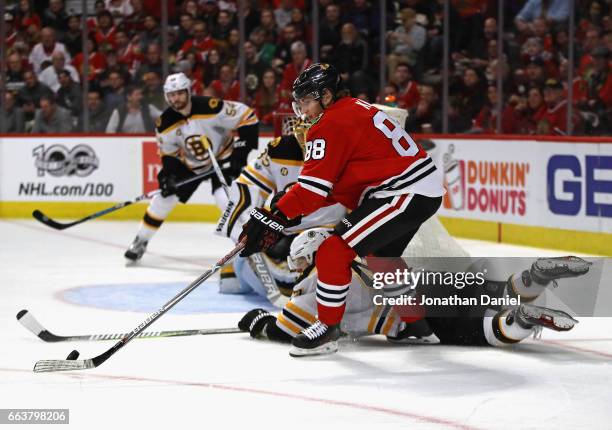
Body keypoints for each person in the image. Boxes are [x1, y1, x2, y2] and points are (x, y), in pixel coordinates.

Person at [240, 63, 445, 356]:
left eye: (307, 101)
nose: (303, 110)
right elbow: (338, 189)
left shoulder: (329, 123)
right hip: (414, 190)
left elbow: (311, 192)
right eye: (299, 103)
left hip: (403, 192)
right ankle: (417, 327)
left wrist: (274, 217)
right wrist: (279, 214)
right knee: (381, 256)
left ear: (326, 95)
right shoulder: (353, 109)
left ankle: (327, 330)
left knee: (334, 250)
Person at [239, 237, 590, 355]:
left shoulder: (314, 287)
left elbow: (285, 329)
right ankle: (534, 277)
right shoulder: (352, 255)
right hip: (423, 282)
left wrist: (257, 321)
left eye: (300, 260)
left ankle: (522, 320)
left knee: (487, 330)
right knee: (496, 292)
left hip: (416, 315)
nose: (296, 267)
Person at [124, 72, 259, 261]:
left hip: (222, 159)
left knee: (225, 200)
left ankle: (245, 247)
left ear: (188, 91)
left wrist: (241, 151)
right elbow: (169, 154)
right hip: (191, 165)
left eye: (179, 93)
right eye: (171, 95)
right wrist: (168, 176)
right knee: (163, 199)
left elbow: (247, 116)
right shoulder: (164, 123)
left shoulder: (210, 106)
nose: (175, 99)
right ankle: (141, 240)